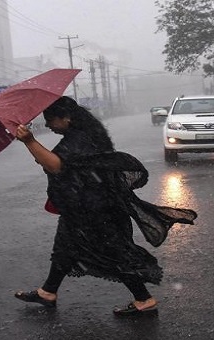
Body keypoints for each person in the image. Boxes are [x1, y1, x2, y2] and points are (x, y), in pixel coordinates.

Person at [13, 96, 197, 316]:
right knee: (65, 248)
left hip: (95, 208)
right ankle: (48, 292)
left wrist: (30, 141)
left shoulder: (80, 138)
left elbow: (57, 166)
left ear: (66, 118)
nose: (48, 125)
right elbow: (69, 164)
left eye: (50, 119)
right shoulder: (83, 133)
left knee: (114, 252)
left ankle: (144, 300)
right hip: (85, 205)